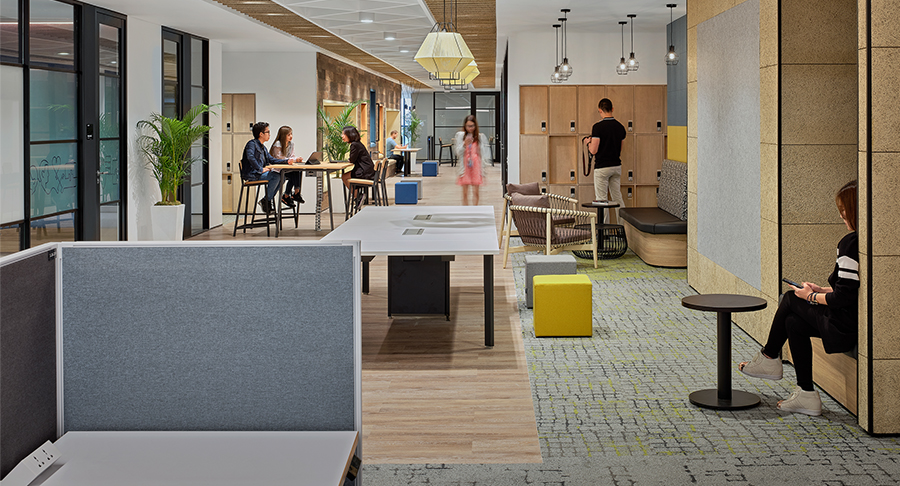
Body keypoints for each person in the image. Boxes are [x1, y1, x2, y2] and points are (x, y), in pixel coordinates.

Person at [739, 180, 859, 416]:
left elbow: (844, 298)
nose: (842, 214)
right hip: (849, 319)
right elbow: (851, 289)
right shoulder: (865, 241)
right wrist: (822, 290)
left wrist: (811, 296)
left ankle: (769, 355)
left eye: (845, 209)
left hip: (844, 325)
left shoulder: (851, 244)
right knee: (793, 323)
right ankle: (806, 394)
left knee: (791, 298)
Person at [240, 122, 300, 214]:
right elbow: (250, 157)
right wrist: (260, 169)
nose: (269, 134)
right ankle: (266, 200)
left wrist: (286, 161)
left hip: (258, 173)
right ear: (261, 134)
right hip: (252, 175)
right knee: (276, 176)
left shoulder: (262, 147)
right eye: (267, 132)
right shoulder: (251, 144)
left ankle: (266, 200)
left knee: (282, 177)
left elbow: (272, 159)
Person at [585, 98, 627, 223]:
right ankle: (623, 229)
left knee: (602, 200)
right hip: (616, 166)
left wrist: (588, 142)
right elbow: (620, 148)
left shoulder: (598, 127)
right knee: (617, 197)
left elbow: (593, 150)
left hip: (602, 167)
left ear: (600, 110)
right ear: (612, 109)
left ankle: (604, 233)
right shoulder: (620, 127)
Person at [453, 115, 489, 206]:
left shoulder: (480, 137)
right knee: (465, 193)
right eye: (468, 126)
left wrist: (483, 170)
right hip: (465, 166)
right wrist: (464, 144)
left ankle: (475, 210)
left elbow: (483, 154)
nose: (470, 128)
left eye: (472, 126)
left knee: (476, 192)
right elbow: (457, 152)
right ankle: (466, 211)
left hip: (476, 165)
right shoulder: (460, 136)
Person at [269, 126, 305, 208]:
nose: (291, 136)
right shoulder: (277, 144)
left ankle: (292, 194)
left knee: (297, 171)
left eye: (291, 134)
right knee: (295, 173)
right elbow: (280, 158)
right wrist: (294, 160)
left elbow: (292, 156)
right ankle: (291, 195)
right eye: (288, 135)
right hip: (277, 170)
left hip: (286, 169)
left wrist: (297, 159)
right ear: (283, 135)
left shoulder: (291, 144)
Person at [340, 126, 375, 210]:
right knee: (345, 176)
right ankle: (358, 197)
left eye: (343, 134)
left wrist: (350, 159)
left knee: (344, 177)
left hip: (364, 172)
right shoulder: (358, 143)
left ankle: (358, 197)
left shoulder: (354, 145)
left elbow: (352, 160)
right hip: (368, 170)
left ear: (349, 135)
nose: (342, 136)